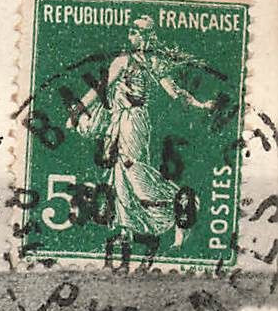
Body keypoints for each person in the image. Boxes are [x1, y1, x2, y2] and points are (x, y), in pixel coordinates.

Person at [67, 16, 218, 248]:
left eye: (138, 32)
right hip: (119, 121)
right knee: (119, 176)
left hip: (134, 121)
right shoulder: (122, 61)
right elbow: (101, 88)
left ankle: (183, 204)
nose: (133, 36)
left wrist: (199, 104)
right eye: (132, 31)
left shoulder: (153, 63)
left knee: (133, 171)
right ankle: (126, 231)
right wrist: (78, 111)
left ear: (148, 36)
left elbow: (175, 91)